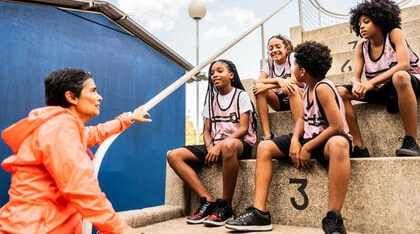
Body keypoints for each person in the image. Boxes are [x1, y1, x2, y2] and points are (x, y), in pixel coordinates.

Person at [0, 68, 151, 234]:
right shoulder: (58, 129)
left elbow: (95, 133)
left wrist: (126, 119)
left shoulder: (61, 127)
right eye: (93, 91)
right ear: (71, 96)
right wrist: (122, 230)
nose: (99, 97)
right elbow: (82, 188)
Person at [226, 41, 351, 234]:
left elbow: (337, 127)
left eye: (295, 66)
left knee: (339, 143)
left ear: (303, 71)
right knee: (265, 147)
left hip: (326, 140)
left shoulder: (323, 88)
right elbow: (302, 117)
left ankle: (333, 217)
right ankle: (259, 212)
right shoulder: (308, 88)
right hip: (308, 137)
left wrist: (307, 148)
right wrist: (295, 141)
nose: (292, 69)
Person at [166, 59, 257, 227]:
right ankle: (208, 200)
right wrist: (210, 147)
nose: (215, 75)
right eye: (212, 73)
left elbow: (243, 128)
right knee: (174, 155)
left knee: (229, 145)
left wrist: (220, 146)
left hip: (238, 143)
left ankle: (226, 206)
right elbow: (206, 130)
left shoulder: (241, 95)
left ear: (231, 75)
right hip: (216, 145)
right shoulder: (211, 99)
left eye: (220, 71)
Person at [337, 0, 420, 158]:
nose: (362, 27)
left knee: (400, 76)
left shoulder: (394, 34)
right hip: (383, 89)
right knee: (340, 92)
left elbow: (404, 65)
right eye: (359, 25)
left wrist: (370, 83)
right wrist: (357, 84)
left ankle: (412, 141)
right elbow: (355, 76)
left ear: (379, 20)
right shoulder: (362, 47)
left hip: (408, 82)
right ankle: (359, 146)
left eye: (366, 22)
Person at [253, 34, 302, 140]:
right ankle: (267, 136)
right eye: (271, 48)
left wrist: (268, 86)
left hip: (298, 96)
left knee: (291, 86)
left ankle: (300, 132)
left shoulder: (292, 57)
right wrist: (278, 80)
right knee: (259, 90)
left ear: (286, 48)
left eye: (278, 46)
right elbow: (259, 82)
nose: (274, 50)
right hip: (280, 102)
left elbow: (294, 80)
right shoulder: (269, 64)